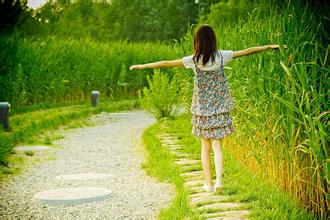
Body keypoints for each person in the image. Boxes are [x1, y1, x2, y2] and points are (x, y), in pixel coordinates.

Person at [130, 25, 279, 193]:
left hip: (202, 110)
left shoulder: (193, 60)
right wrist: (268, 46)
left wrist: (142, 66)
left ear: (197, 42)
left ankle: (208, 184)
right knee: (217, 146)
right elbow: (247, 51)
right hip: (220, 108)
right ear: (213, 39)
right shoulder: (222, 57)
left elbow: (166, 63)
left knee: (205, 147)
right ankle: (220, 182)